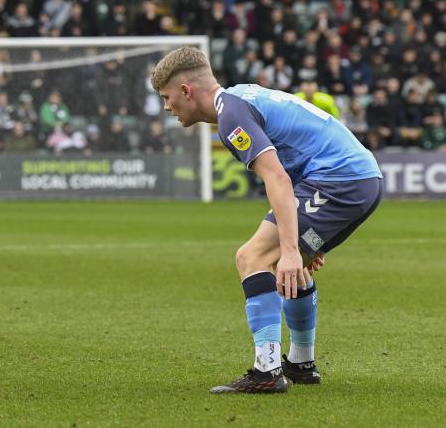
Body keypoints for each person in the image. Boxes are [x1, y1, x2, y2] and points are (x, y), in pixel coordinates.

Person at [151, 47, 383, 394]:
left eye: (167, 98)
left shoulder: (231, 115)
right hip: (354, 177)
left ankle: (267, 371)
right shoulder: (241, 97)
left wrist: (291, 246)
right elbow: (289, 169)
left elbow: (278, 180)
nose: (167, 108)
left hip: (339, 180)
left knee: (253, 257)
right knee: (290, 264)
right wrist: (304, 239)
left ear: (186, 91)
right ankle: (301, 363)